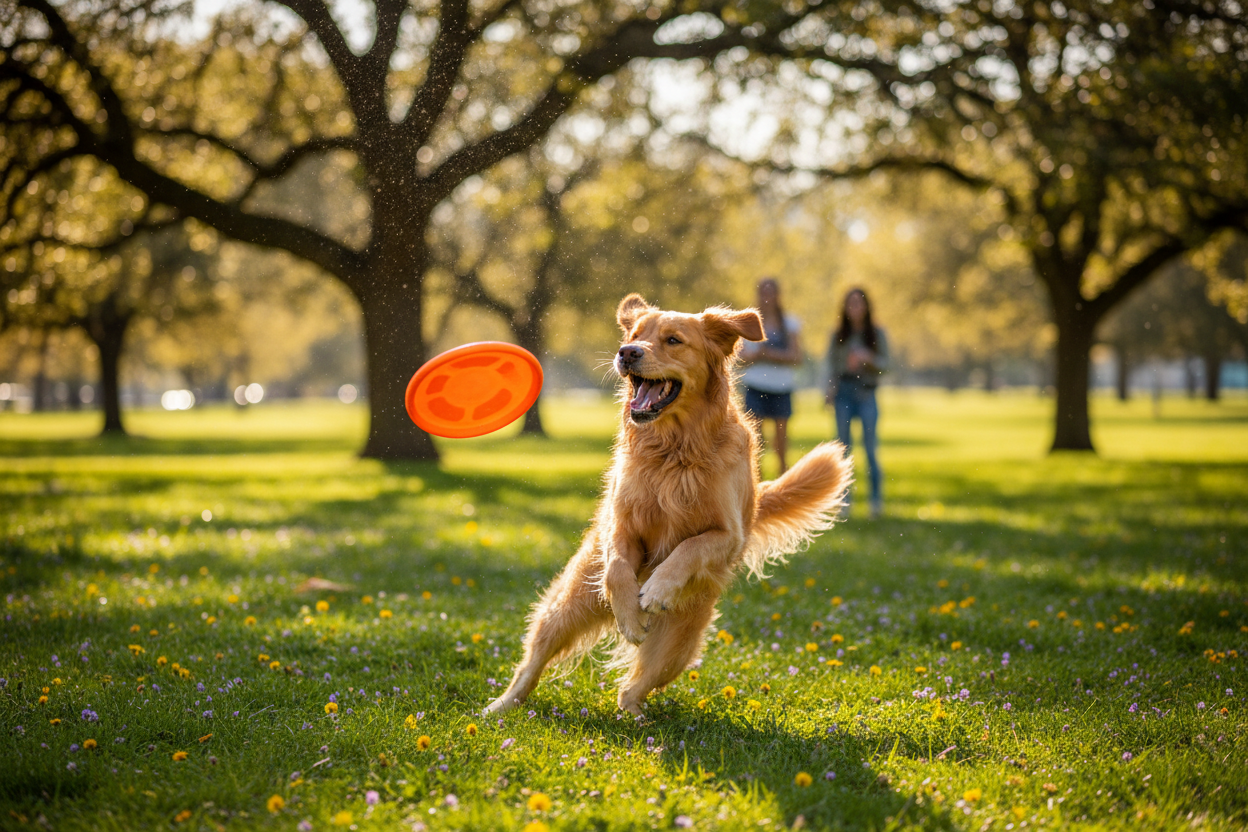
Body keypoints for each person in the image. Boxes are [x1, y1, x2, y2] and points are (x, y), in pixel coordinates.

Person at [825, 287, 889, 518]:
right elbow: (831, 365)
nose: (855, 308)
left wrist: (869, 359)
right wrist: (829, 390)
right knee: (843, 449)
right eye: (851, 303)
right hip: (844, 392)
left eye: (859, 303)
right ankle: (845, 502)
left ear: (866, 306)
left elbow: (886, 365)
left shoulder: (876, 333)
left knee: (871, 449)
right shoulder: (838, 334)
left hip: (867, 393)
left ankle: (875, 501)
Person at [740, 278, 803, 474]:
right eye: (763, 292)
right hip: (756, 385)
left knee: (781, 441)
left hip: (781, 387)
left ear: (778, 295)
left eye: (770, 292)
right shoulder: (748, 323)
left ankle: (782, 480)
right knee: (755, 440)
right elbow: (740, 358)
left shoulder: (790, 324)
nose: (767, 297)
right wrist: (758, 356)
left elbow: (796, 357)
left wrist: (767, 355)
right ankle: (755, 483)